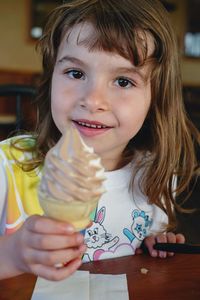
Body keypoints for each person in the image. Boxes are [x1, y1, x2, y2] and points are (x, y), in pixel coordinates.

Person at [0, 0, 199, 281]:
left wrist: (151, 245)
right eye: (76, 73)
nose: (93, 100)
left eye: (123, 81)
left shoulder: (155, 178)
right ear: (51, 78)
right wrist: (12, 255)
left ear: (156, 98)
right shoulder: (7, 167)